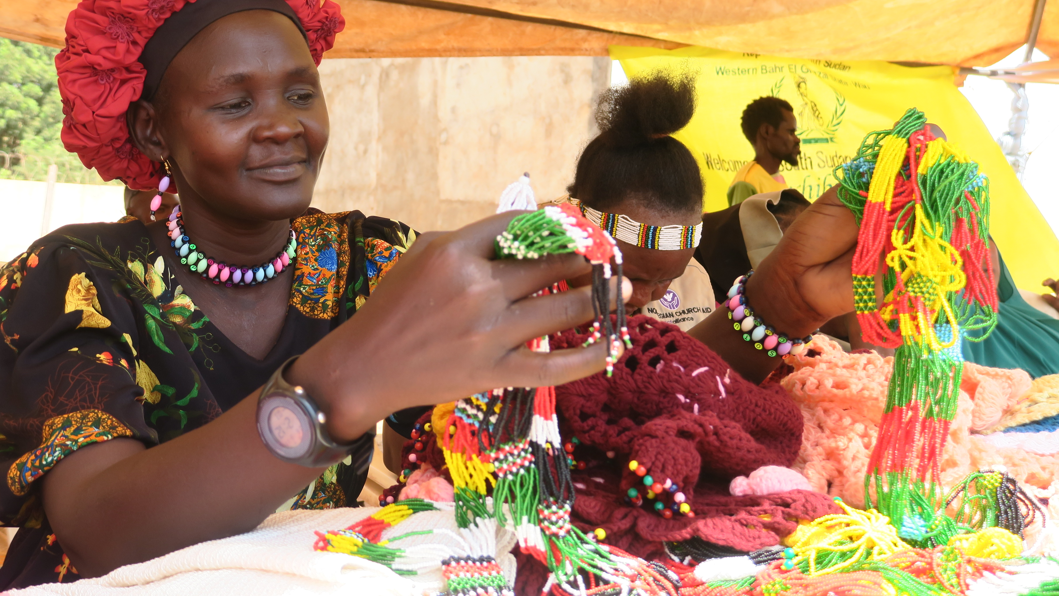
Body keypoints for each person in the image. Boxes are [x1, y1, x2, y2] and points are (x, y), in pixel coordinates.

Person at [0, 1, 627, 587]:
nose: (282, 126)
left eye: (300, 94)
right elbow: (98, 531)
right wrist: (338, 385)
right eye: (234, 104)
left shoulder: (370, 260)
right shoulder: (79, 277)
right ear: (153, 131)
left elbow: (458, 450)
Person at [728, 97, 801, 207]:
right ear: (766, 131)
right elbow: (740, 224)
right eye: (791, 132)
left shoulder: (775, 177)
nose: (797, 139)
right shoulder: (747, 182)